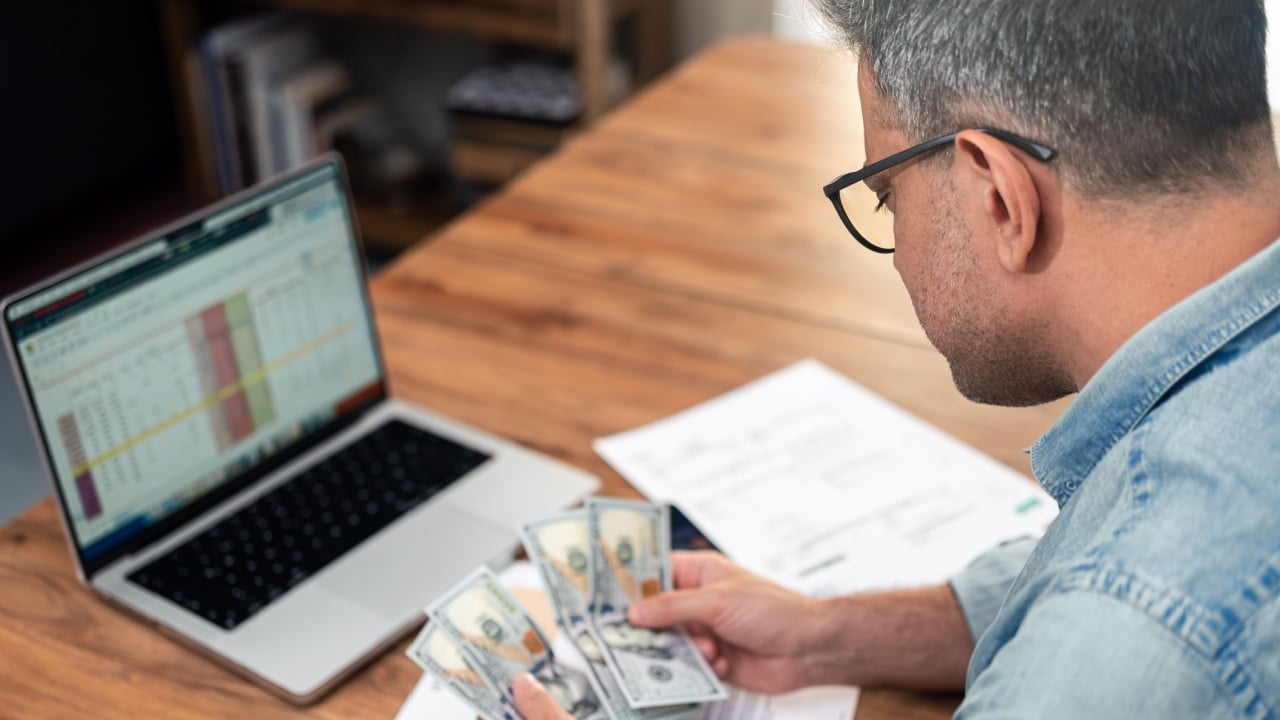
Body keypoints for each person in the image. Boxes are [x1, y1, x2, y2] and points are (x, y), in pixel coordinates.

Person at [515, 0, 1280, 716]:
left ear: (1002, 201)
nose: (896, 251)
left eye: (887, 196)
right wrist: (829, 634)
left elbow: (1132, 614)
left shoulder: (1129, 634)